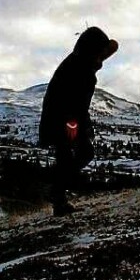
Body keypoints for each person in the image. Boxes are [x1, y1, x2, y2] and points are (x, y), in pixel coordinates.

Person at [39, 27, 118, 216]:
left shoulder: (79, 64)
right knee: (81, 153)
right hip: (65, 120)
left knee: (68, 156)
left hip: (62, 118)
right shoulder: (81, 69)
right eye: (101, 52)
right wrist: (75, 125)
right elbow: (75, 102)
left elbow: (77, 102)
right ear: (93, 50)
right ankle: (55, 192)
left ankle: (57, 198)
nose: (103, 58)